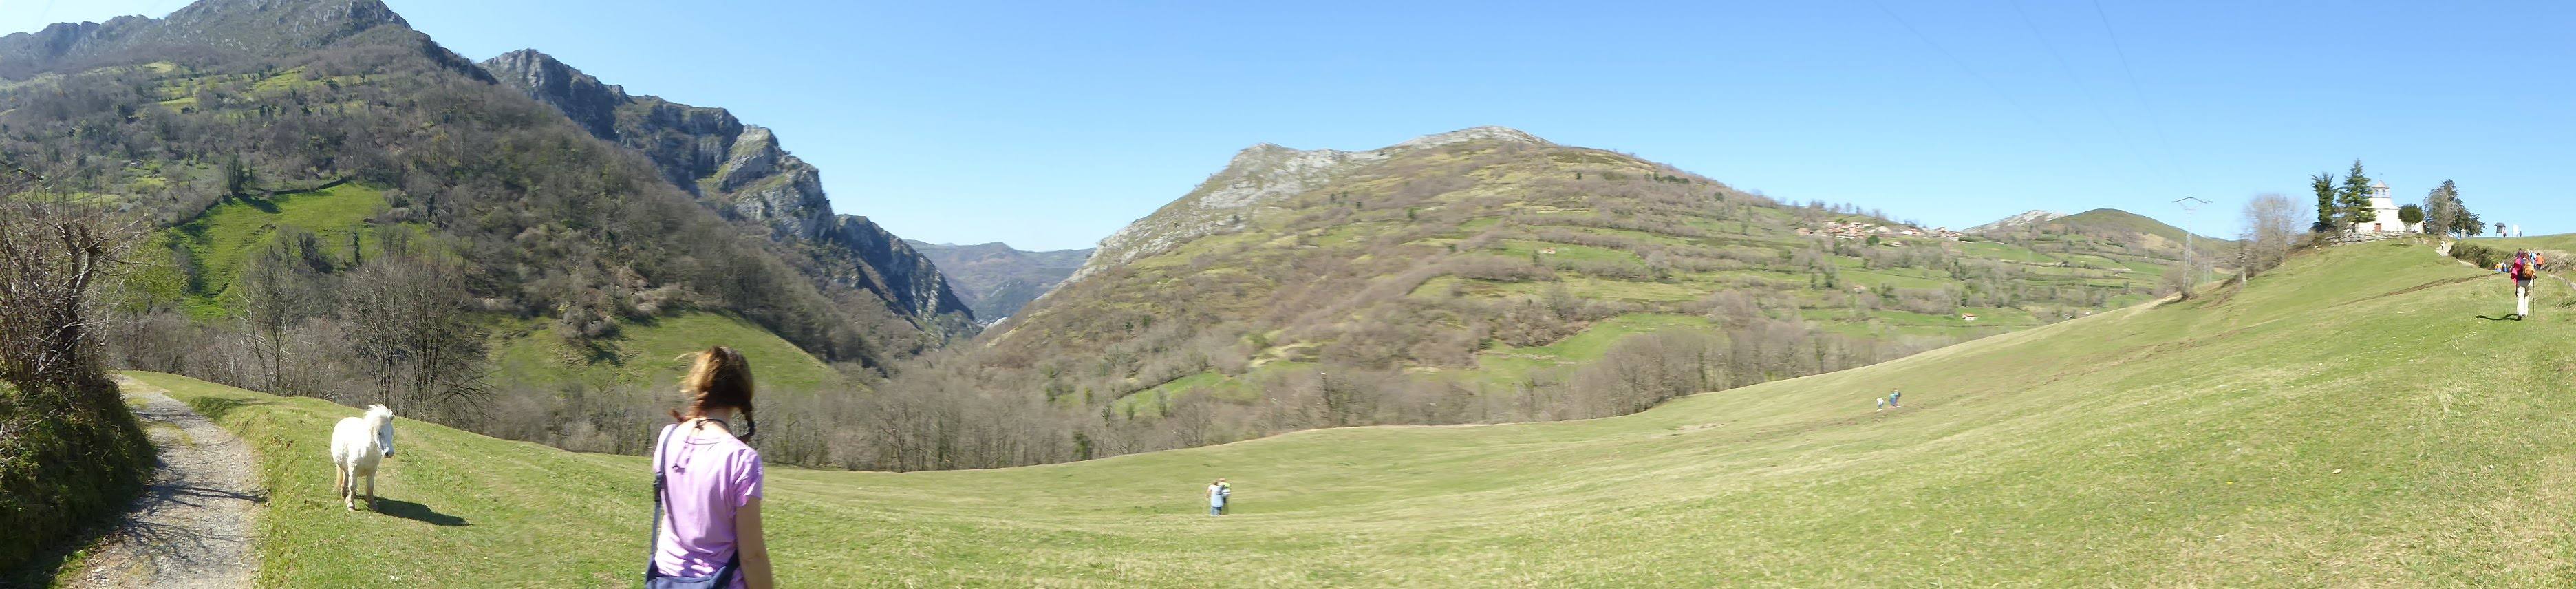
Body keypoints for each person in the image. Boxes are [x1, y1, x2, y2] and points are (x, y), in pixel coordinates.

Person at [647, 346, 774, 589]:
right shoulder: (742, 459)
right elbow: (751, 556)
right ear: (742, 394)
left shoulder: (668, 438)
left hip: (665, 579)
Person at [2509, 250, 2540, 319]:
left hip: (2520, 281)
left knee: (2520, 297)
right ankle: (2526, 312)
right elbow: (2533, 272)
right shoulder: (2530, 262)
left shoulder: (2519, 261)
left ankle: (2520, 312)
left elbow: (2512, 270)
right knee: (2527, 296)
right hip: (2529, 281)